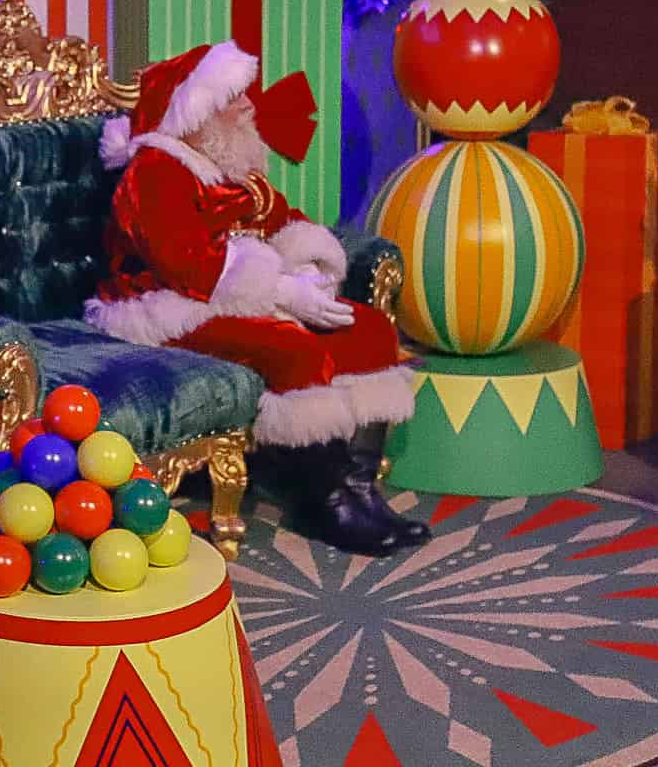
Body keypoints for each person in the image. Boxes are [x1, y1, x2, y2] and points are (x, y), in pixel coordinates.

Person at [87, 42, 428, 555]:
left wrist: (309, 272)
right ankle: (325, 501)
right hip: (168, 307)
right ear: (198, 114)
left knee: (368, 328)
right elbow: (187, 267)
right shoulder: (155, 171)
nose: (250, 105)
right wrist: (282, 291)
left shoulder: (233, 166)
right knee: (292, 348)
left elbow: (283, 220)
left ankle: (360, 488)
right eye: (234, 97)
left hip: (235, 295)